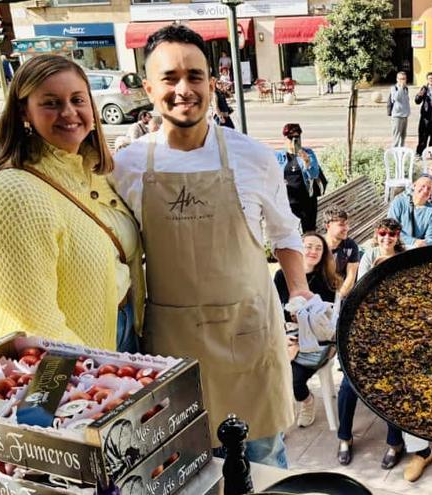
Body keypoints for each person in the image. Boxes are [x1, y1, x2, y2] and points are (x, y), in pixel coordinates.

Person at [111, 25, 311, 468]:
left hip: (248, 336)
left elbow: (285, 232)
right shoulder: (125, 165)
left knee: (261, 460)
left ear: (212, 82)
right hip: (171, 346)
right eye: (169, 78)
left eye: (195, 76)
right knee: (184, 466)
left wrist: (299, 291)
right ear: (148, 88)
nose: (184, 89)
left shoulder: (253, 157)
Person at [0, 54, 143, 354]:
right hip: (74, 360)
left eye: (78, 100)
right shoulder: (15, 193)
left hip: (122, 330)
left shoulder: (95, 173)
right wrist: (93, 369)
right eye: (51, 103)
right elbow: (33, 321)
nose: (69, 113)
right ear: (24, 112)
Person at [337, 219, 407, 468]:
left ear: (398, 236)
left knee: (390, 384)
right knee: (348, 385)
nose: (387, 237)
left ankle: (394, 442)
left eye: (392, 234)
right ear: (376, 235)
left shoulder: (406, 258)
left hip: (398, 334)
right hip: (367, 329)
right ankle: (344, 438)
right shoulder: (370, 257)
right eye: (382, 233)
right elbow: (361, 292)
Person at [273, 232, 341, 428]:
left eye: (318, 248)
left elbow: (325, 324)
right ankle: (280, 416)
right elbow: (276, 310)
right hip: (289, 335)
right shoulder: (281, 276)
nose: (313, 251)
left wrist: (300, 341)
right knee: (271, 373)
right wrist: (286, 334)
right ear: (298, 250)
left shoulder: (328, 280)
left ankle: (306, 400)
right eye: (308, 246)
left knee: (293, 380)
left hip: (317, 341)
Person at [275, 123, 327, 232]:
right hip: (288, 201)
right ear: (285, 139)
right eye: (291, 138)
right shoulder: (279, 156)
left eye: (297, 137)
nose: (294, 140)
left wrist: (307, 161)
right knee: (289, 232)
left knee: (309, 232)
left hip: (306, 200)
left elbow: (314, 174)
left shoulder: (308, 153)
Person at [387, 175, 432, 247]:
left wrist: (420, 244)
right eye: (423, 186)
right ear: (414, 186)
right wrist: (413, 241)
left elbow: (430, 239)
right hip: (396, 245)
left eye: (429, 188)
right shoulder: (399, 202)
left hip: (418, 249)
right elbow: (390, 227)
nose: (425, 190)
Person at [322, 208, 360, 297]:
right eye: (341, 225)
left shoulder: (351, 246)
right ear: (328, 226)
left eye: (347, 224)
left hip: (340, 290)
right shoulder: (318, 245)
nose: (346, 228)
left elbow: (350, 278)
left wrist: (338, 299)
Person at [388, 71, 410, 147]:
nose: (402, 81)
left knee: (403, 137)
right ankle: (394, 153)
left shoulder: (406, 89)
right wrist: (400, 87)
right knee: (396, 137)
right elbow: (396, 98)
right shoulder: (394, 88)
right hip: (397, 116)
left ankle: (401, 152)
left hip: (404, 115)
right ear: (397, 79)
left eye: (404, 79)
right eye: (400, 79)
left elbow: (406, 101)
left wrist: (407, 112)